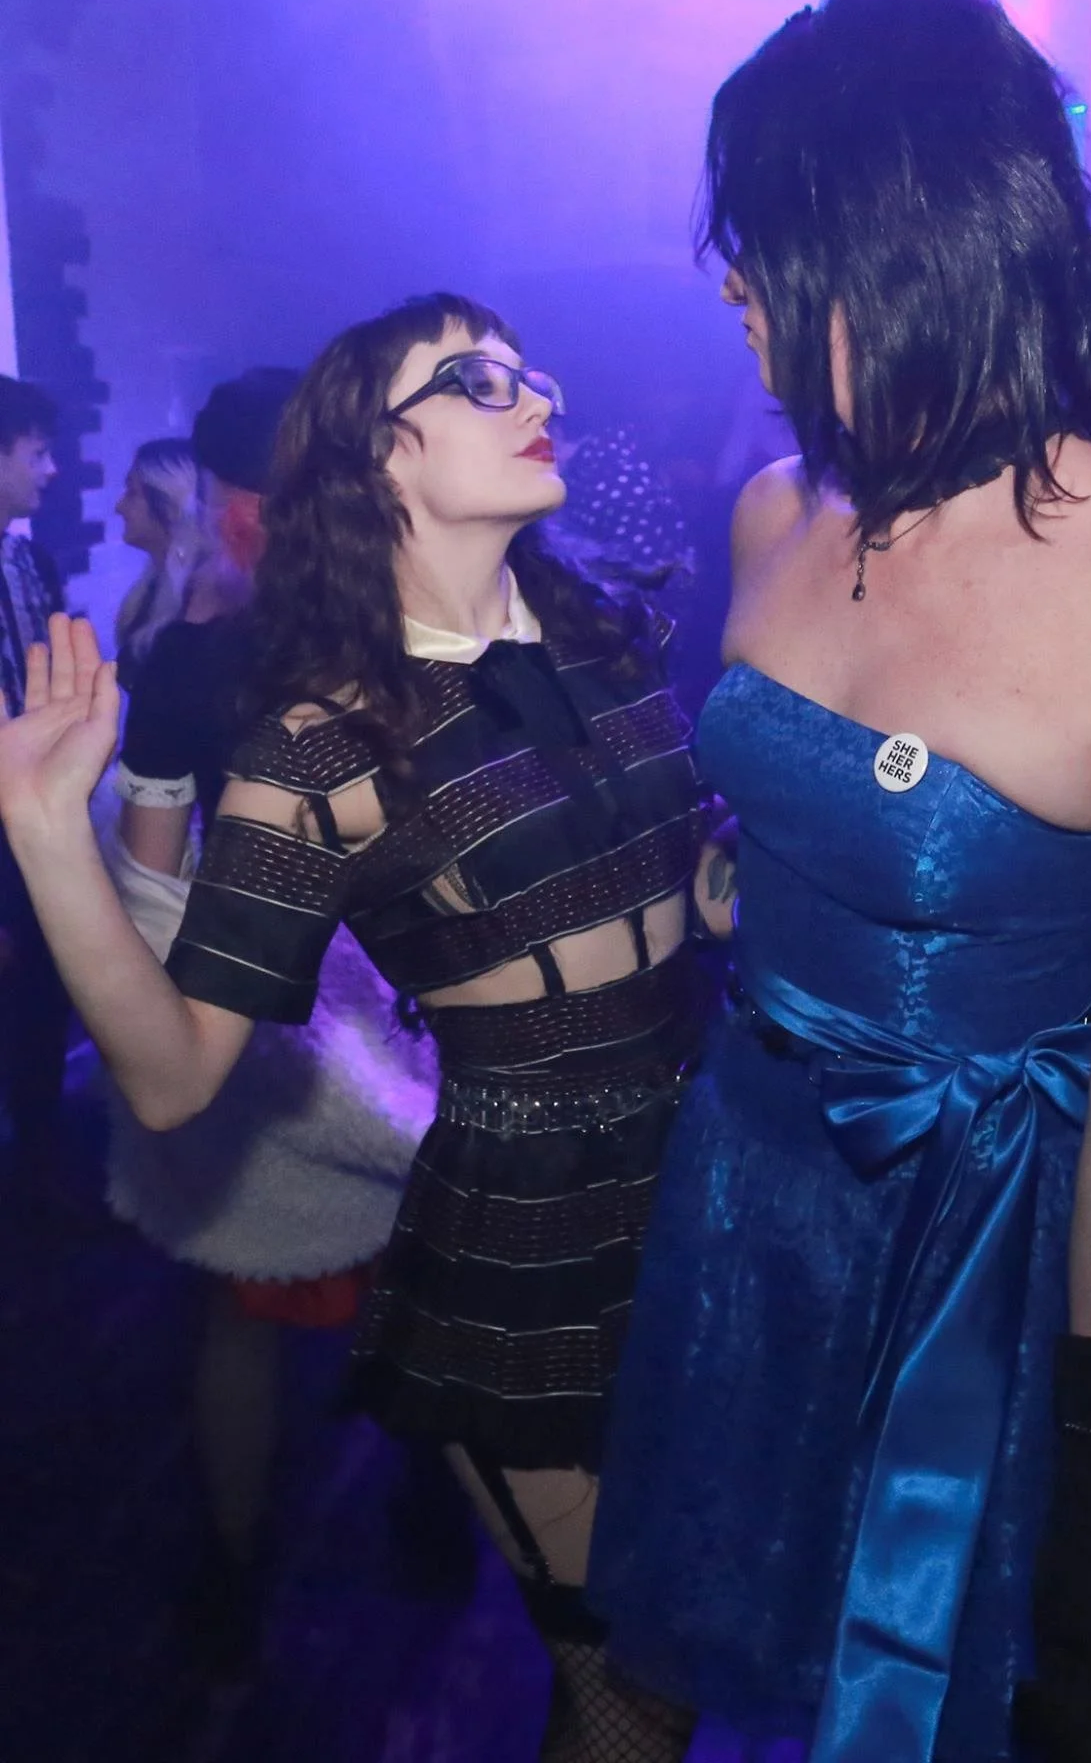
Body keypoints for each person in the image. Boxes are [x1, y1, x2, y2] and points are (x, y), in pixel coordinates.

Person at [588, 0, 1091, 1763]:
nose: (731, 285)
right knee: (693, 1653)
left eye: (768, 244)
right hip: (754, 1191)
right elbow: (794, 817)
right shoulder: (776, 509)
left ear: (902, 250)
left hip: (991, 1255)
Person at [0, 291, 711, 1763]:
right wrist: (50, 833)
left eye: (528, 372)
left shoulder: (606, 636)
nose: (537, 396)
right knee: (628, 1684)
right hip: (526, 1227)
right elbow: (173, 1076)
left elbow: (691, 895)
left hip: (705, 1177)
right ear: (380, 453)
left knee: (690, 1641)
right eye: (479, 381)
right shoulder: (320, 742)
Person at [107, 368, 438, 1677]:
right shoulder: (416, 637)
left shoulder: (201, 660)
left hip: (255, 999)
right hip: (364, 1010)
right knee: (409, 1278)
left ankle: (236, 1568)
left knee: (248, 1304)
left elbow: (151, 884)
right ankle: (421, 1510)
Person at [0, 373, 69, 1188]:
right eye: (37, 452)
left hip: (37, 820)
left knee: (39, 1005)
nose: (49, 470)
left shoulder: (30, 559)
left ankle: (43, 1180)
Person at [111, 436, 206, 689]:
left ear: (170, 505)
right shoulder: (152, 587)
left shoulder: (202, 597)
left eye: (132, 493)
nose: (119, 507)